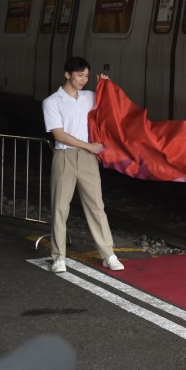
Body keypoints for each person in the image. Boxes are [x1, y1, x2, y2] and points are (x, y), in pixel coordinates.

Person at [42, 57, 124, 274]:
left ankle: (109, 254)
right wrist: (89, 146)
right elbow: (59, 134)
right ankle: (58, 257)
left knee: (97, 206)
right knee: (60, 207)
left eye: (86, 76)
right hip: (64, 156)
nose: (83, 80)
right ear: (67, 75)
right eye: (79, 76)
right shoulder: (51, 102)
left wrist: (106, 85)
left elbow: (111, 106)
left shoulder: (90, 97)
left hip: (88, 159)